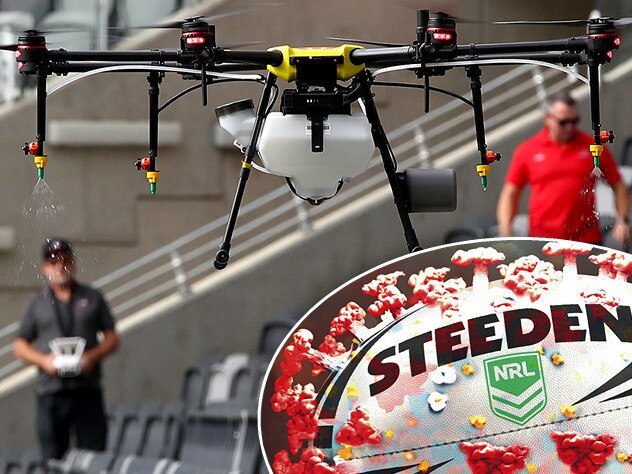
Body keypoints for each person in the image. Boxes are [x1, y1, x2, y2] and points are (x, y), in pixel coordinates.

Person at [13, 238, 119, 460]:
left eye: (65, 260)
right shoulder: (38, 302)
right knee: (52, 459)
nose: (60, 266)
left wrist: (91, 356)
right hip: (52, 392)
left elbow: (112, 339)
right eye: (54, 262)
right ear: (45, 267)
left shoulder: (91, 297)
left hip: (86, 389)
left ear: (73, 263)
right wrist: (44, 361)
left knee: (93, 456)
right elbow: (20, 346)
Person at [497, 92, 630, 246]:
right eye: (564, 122)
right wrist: (505, 230)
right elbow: (510, 193)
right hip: (543, 240)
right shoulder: (527, 150)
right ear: (548, 119)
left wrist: (622, 220)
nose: (570, 127)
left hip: (586, 240)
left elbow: (618, 185)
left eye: (574, 121)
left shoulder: (593, 147)